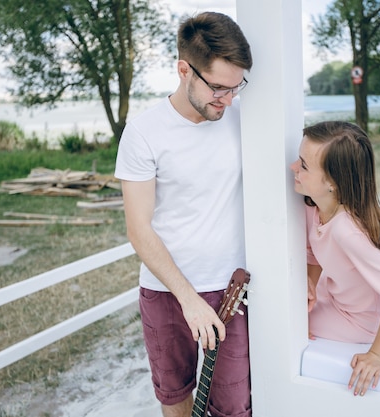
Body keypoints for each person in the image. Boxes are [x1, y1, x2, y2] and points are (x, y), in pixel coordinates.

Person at [114, 12, 253, 417]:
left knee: (232, 407)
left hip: (231, 290)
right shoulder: (143, 133)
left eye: (235, 87)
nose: (227, 99)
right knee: (174, 398)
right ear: (183, 69)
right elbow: (139, 230)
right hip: (166, 291)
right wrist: (187, 297)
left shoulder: (244, 118)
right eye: (218, 88)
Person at [289, 120, 380, 398]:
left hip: (358, 320)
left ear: (333, 183)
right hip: (334, 294)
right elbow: (314, 251)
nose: (292, 168)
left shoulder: (350, 233)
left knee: (285, 319)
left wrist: (377, 355)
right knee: (289, 301)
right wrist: (310, 283)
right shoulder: (315, 207)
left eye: (303, 165)